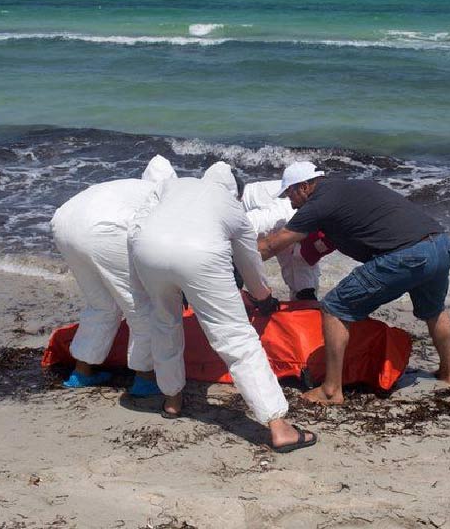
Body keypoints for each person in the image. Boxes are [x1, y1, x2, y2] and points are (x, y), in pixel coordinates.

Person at [128, 161, 317, 452]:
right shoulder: (230, 204)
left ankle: (172, 399)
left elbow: (137, 224)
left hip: (147, 249)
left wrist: (140, 275)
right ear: (234, 192)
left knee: (164, 324)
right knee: (236, 338)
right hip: (199, 255)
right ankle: (279, 427)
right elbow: (248, 259)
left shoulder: (173, 185)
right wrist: (262, 295)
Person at [258, 161, 450, 405]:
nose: (289, 200)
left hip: (407, 255)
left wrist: (232, 259)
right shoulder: (349, 187)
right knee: (434, 310)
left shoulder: (318, 202)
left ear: (304, 186)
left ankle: (331, 390)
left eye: (290, 192)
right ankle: (448, 373)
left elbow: (271, 246)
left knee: (334, 307)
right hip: (440, 244)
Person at [50, 155, 176, 394]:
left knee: (101, 305)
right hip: (102, 230)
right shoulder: (162, 197)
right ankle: (145, 379)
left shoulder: (127, 187)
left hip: (64, 222)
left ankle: (82, 373)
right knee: (142, 308)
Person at [242, 180, 320, 300]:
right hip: (243, 208)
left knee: (305, 287)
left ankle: (304, 299)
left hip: (285, 204)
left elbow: (303, 258)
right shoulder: (279, 215)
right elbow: (236, 235)